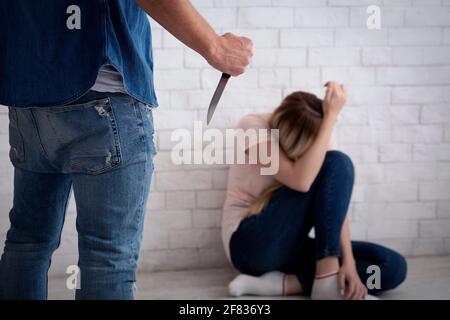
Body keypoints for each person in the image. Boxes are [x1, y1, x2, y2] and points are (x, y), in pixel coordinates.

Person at [0, 0, 252, 300]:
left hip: (28, 96)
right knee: (107, 257)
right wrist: (216, 47)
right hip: (102, 97)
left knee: (28, 243)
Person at [222, 82, 407, 300]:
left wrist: (348, 262)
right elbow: (302, 182)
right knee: (338, 162)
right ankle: (326, 280)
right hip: (251, 245)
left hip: (292, 247)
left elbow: (334, 206)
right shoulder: (252, 127)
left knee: (391, 267)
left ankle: (286, 284)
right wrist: (331, 118)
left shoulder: (322, 134)